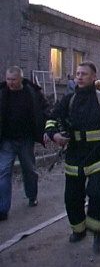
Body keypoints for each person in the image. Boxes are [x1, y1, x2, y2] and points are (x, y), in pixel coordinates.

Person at [44, 61, 100, 253]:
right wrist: (55, 135)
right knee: (72, 198)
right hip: (74, 158)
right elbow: (51, 120)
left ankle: (98, 234)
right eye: (77, 74)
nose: (80, 77)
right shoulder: (69, 100)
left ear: (93, 77)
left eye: (84, 74)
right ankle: (79, 230)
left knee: (96, 194)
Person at [0, 66, 50, 221]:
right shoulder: (2, 93)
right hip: (6, 140)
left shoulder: (32, 94)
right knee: (3, 172)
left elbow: (45, 111)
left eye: (13, 79)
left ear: (20, 79)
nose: (10, 82)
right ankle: (3, 209)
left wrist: (47, 130)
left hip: (25, 140)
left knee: (29, 170)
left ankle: (32, 195)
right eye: (8, 79)